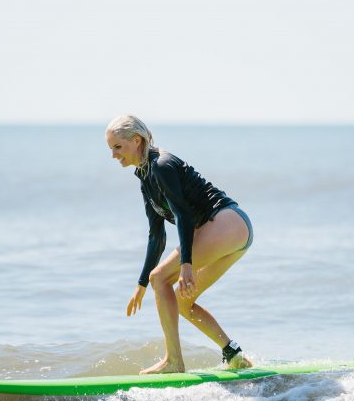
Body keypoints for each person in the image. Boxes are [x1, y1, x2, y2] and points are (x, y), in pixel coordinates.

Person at [105, 114, 254, 374]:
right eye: (111, 149)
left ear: (136, 140)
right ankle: (233, 353)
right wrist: (141, 284)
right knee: (182, 301)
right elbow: (156, 235)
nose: (114, 155)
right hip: (234, 231)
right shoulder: (145, 176)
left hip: (226, 222)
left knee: (161, 278)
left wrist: (186, 264)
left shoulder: (162, 165)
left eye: (118, 147)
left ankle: (174, 361)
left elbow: (183, 214)